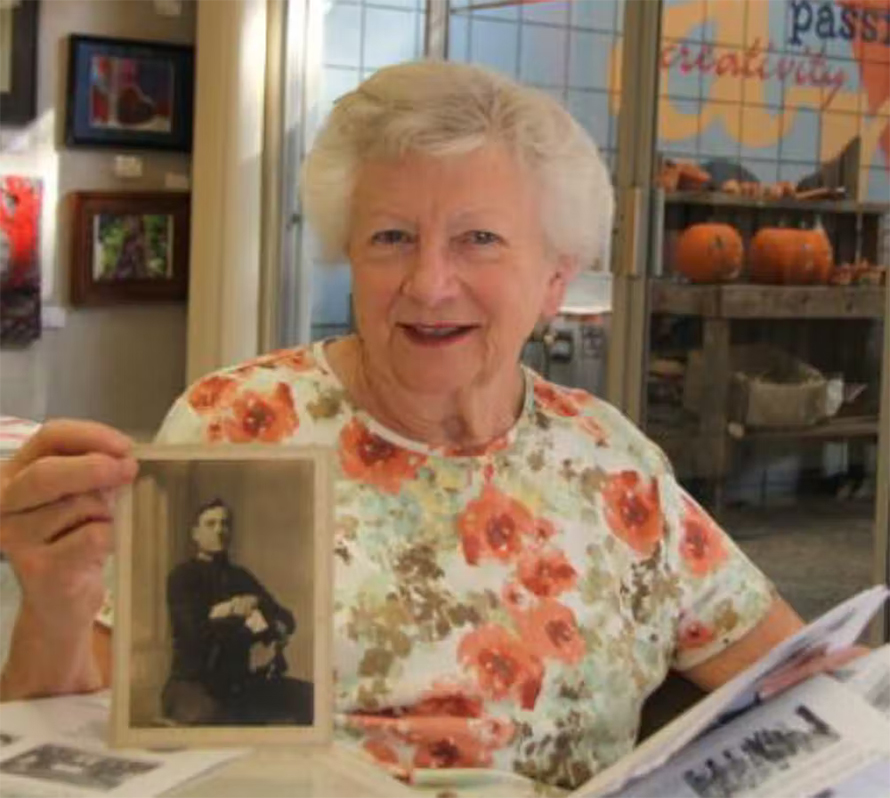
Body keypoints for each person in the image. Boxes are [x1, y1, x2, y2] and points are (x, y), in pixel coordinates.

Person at [0, 61, 842, 791]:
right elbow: (70, 731)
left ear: (555, 279)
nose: (430, 283)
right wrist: (56, 600)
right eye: (392, 237)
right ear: (350, 254)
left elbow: (805, 680)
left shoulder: (612, 463)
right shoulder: (239, 424)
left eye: (478, 239)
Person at [162, 498, 313, 726]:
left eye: (225, 524)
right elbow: (196, 635)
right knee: (216, 719)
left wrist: (254, 605)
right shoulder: (183, 577)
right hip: (192, 684)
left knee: (310, 698)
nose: (219, 530)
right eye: (210, 524)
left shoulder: (241, 577)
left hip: (239, 684)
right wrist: (238, 614)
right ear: (195, 533)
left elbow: (286, 620)